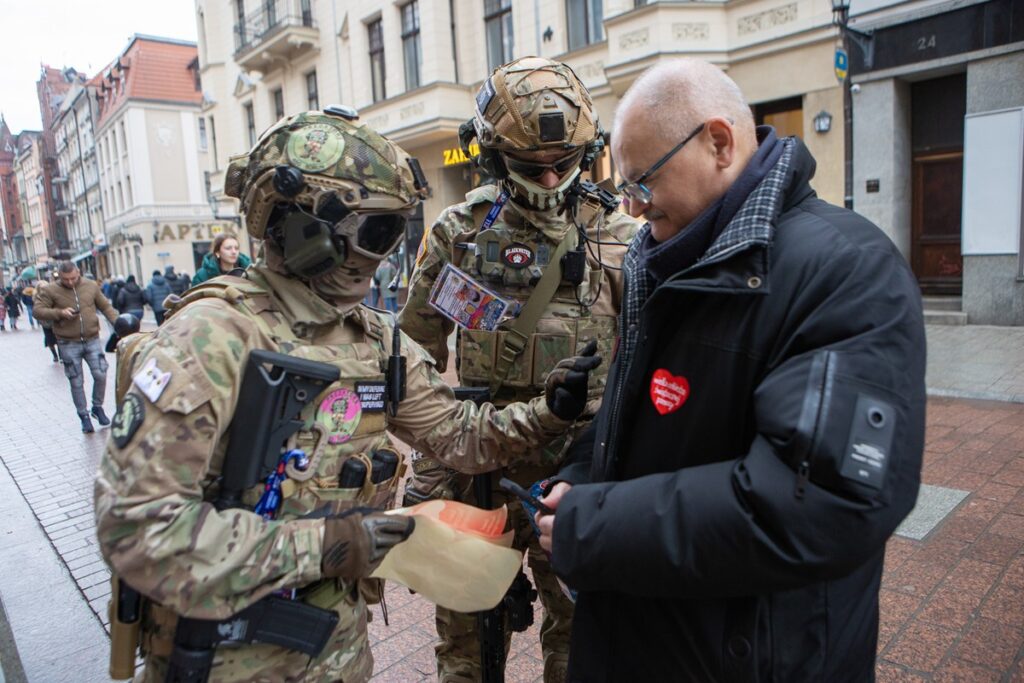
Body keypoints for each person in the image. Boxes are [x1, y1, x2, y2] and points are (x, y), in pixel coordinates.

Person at [93, 109, 600, 683]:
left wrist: (547, 412)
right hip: (224, 659)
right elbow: (138, 530)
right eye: (376, 231)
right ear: (302, 226)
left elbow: (458, 435)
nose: (382, 255)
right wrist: (330, 545)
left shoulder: (373, 337)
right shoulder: (212, 338)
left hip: (337, 655)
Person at [535, 58, 927, 682]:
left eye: (643, 182)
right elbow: (645, 413)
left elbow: (821, 502)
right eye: (625, 189)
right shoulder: (669, 253)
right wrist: (585, 472)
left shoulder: (848, 271)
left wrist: (597, 528)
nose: (634, 208)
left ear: (718, 142)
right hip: (646, 638)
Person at [400, 56, 639, 683]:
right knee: (469, 648)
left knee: (581, 639)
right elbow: (413, 353)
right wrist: (440, 444)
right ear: (490, 155)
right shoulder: (461, 231)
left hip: (577, 475)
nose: (553, 176)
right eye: (532, 166)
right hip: (481, 469)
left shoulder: (618, 235)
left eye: (566, 163)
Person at [34, 261, 119, 432]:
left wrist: (119, 324)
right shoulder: (50, 290)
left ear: (78, 272)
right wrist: (59, 313)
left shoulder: (90, 285)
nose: (70, 282)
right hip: (67, 342)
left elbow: (105, 306)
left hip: (92, 338)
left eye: (73, 278)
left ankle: (97, 406)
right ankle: (84, 416)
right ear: (60, 276)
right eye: (66, 279)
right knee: (76, 381)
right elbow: (38, 310)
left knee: (101, 373)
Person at [33, 279, 60, 362]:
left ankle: (61, 355)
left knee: (59, 338)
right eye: (41, 288)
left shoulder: (52, 295)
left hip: (54, 320)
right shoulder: (36, 298)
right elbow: (36, 311)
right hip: (45, 322)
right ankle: (55, 355)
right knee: (50, 340)